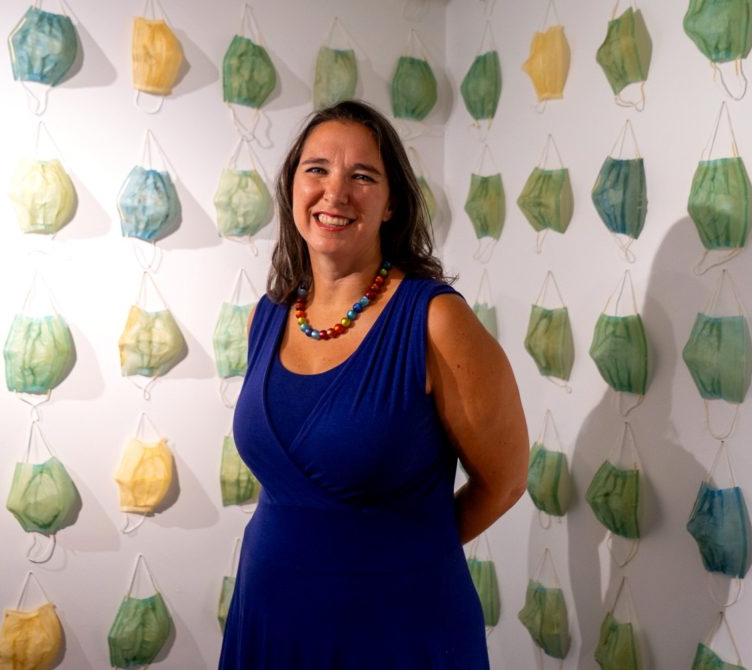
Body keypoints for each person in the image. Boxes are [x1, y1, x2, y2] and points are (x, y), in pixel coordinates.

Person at [219, 100, 529, 669]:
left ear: (390, 205)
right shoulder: (266, 316)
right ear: (292, 187)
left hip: (395, 630)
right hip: (268, 617)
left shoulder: (435, 321)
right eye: (317, 170)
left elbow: (505, 482)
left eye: (362, 176)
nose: (335, 192)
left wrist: (398, 552)